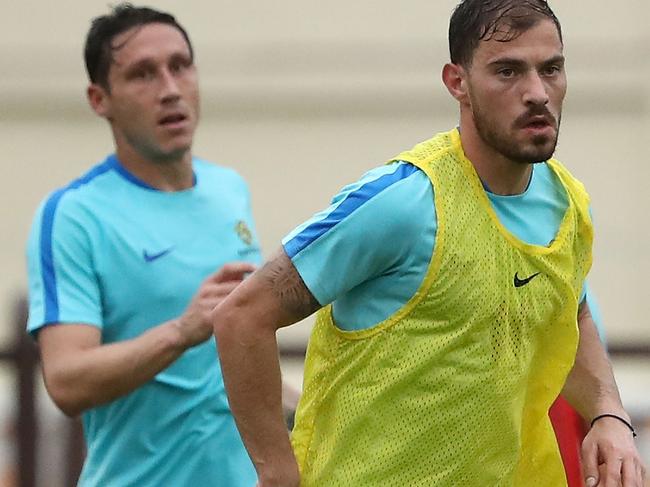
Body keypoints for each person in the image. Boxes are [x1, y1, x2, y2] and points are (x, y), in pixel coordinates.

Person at [211, 1, 646, 486]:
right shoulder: (403, 202)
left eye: (551, 69)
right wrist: (277, 474)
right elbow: (241, 316)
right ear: (457, 82)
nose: (537, 93)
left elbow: (572, 312)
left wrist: (610, 414)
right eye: (508, 71)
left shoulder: (567, 203)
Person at [26, 4, 264, 486]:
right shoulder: (74, 214)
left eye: (180, 65)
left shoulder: (229, 190)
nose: (171, 89)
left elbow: (224, 373)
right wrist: (181, 330)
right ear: (99, 99)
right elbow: (66, 380)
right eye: (143, 74)